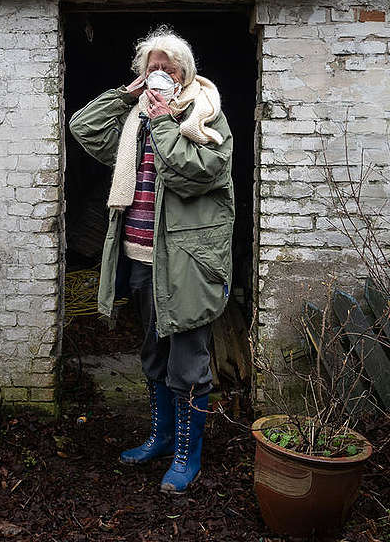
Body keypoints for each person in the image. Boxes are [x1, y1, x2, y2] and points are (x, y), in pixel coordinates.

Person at [68, 26, 234, 494]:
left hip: (187, 263)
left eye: (169, 66)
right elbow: (83, 128)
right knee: (154, 353)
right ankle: (161, 438)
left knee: (188, 363)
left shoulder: (206, 118)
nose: (160, 73)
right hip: (141, 256)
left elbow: (196, 174)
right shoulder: (134, 119)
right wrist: (126, 98)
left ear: (186, 74)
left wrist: (163, 122)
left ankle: (187, 455)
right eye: (152, 66)